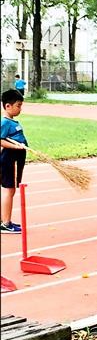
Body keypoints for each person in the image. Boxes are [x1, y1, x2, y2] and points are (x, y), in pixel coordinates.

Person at [0, 89, 27, 233]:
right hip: (10, 159)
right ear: (7, 106)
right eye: (18, 105)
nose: (20, 109)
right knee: (9, 190)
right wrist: (16, 147)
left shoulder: (12, 122)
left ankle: (3, 219)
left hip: (15, 159)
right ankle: (6, 223)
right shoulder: (5, 122)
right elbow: (1, 140)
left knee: (11, 190)